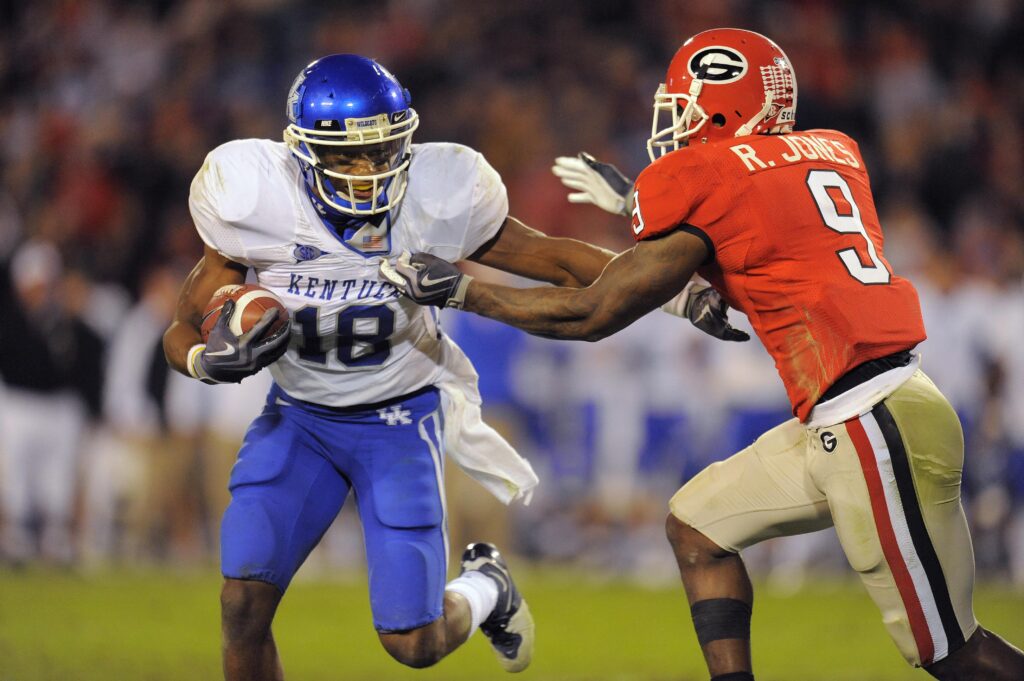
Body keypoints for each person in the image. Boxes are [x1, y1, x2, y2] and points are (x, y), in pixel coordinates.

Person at [380, 28, 1024, 681]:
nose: (676, 124)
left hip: (871, 424)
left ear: (724, 106)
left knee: (951, 651)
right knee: (697, 526)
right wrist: (636, 201)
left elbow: (594, 312)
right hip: (865, 413)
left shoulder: (710, 176)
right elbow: (767, 232)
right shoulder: (831, 151)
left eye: (687, 106)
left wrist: (464, 291)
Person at [162, 53, 711, 680]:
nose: (368, 172)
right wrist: (208, 362)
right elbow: (182, 326)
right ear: (301, 151)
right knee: (241, 604)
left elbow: (556, 260)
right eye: (347, 156)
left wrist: (680, 295)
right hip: (300, 419)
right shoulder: (253, 199)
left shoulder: (439, 192)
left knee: (413, 643)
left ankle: (487, 589)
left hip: (397, 419)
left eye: (383, 150)